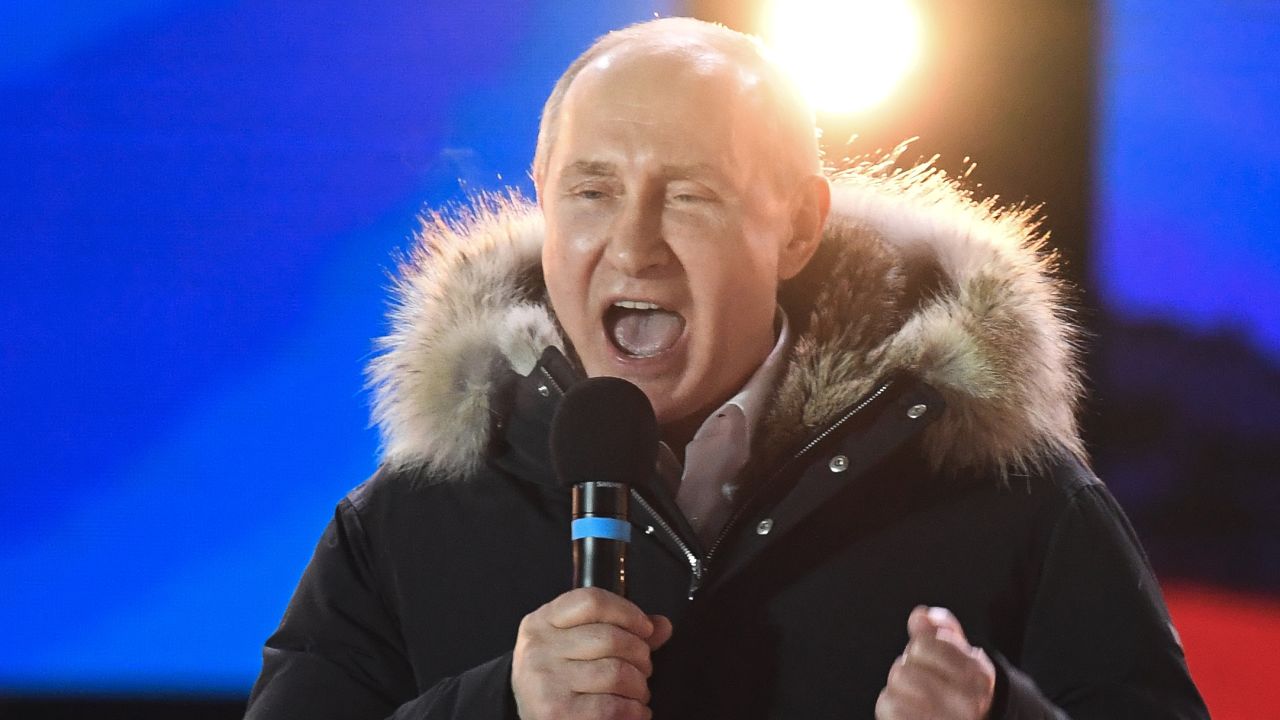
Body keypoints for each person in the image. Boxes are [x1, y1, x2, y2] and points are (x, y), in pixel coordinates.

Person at [245, 17, 1207, 720]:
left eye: (689, 195)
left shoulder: (1014, 499)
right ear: (543, 200)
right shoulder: (410, 516)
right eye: (592, 190)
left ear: (795, 225)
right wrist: (496, 705)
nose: (632, 245)